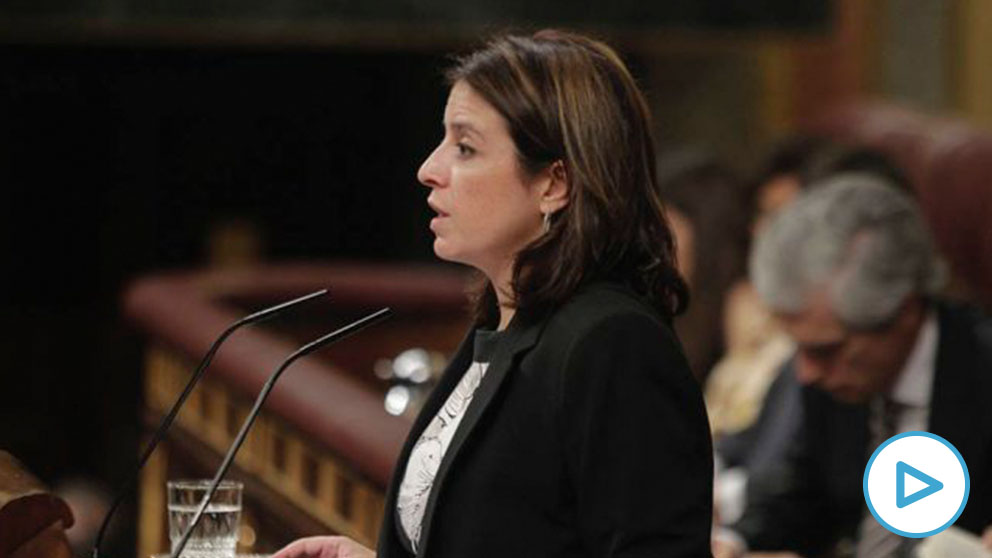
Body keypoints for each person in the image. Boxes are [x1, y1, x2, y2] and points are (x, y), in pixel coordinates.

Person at [273, 30, 713, 558]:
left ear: (554, 184)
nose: (428, 170)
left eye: (465, 147)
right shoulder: (504, 325)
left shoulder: (612, 342)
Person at [713, 174, 992, 558]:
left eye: (826, 351)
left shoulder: (980, 372)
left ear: (904, 312)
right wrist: (733, 544)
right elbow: (799, 497)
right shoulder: (833, 380)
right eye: (799, 348)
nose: (805, 373)